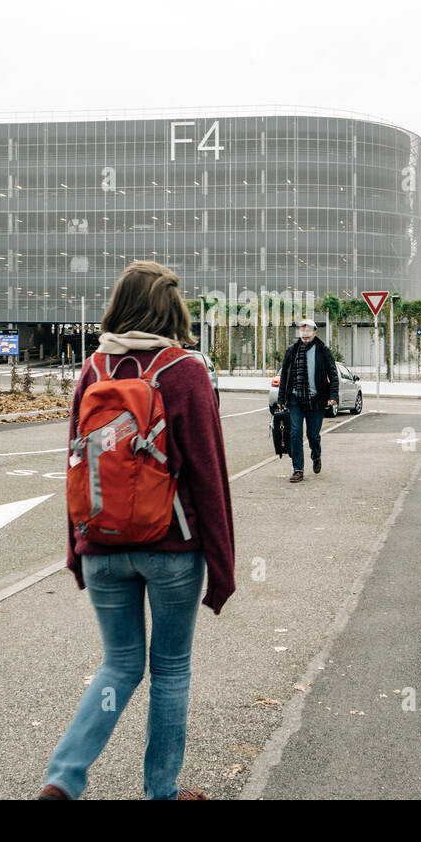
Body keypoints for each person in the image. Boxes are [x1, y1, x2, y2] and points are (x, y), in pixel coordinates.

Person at [37, 261, 236, 800]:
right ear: (172, 310)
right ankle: (161, 793)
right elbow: (209, 475)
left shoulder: (94, 369)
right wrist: (222, 568)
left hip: (101, 545)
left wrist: (77, 550)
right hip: (171, 550)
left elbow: (76, 466)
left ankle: (64, 778)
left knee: (119, 666)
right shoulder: (184, 370)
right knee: (169, 672)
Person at [276, 317, 339, 483]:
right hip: (296, 398)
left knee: (313, 435)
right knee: (295, 433)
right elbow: (285, 376)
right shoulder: (292, 350)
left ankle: (316, 456)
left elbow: (333, 374)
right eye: (302, 330)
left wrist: (333, 396)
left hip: (316, 400)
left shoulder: (323, 350)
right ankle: (298, 470)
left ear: (315, 332)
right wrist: (281, 397)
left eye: (308, 330)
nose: (305, 333)